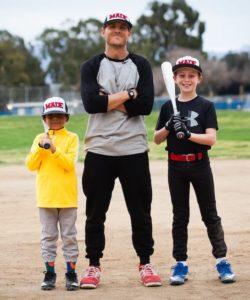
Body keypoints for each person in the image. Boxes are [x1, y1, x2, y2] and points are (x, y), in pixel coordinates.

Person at [80, 12, 161, 288]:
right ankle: (93, 266)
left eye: (122, 28)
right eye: (112, 27)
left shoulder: (141, 64)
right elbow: (92, 103)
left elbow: (146, 106)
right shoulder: (91, 66)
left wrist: (110, 99)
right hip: (100, 148)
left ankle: (146, 261)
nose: (117, 31)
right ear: (103, 31)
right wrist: (130, 93)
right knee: (95, 213)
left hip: (133, 148)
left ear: (129, 33)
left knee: (140, 210)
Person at [154, 56, 236, 285]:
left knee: (210, 213)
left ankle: (222, 260)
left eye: (191, 75)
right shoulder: (168, 106)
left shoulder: (206, 106)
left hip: (200, 164)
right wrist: (169, 126)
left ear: (199, 78)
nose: (186, 79)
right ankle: (180, 263)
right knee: (180, 216)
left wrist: (189, 134)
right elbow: (156, 139)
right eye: (181, 75)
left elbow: (211, 139)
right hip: (176, 165)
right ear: (175, 78)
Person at [25, 97, 79, 291]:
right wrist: (41, 148)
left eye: (59, 115)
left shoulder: (72, 138)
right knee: (48, 237)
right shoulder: (39, 139)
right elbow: (30, 165)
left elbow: (68, 164)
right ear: (44, 119)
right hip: (46, 198)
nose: (55, 119)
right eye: (50, 116)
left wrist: (54, 149)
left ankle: (71, 273)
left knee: (69, 237)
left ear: (66, 117)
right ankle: (49, 273)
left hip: (66, 198)